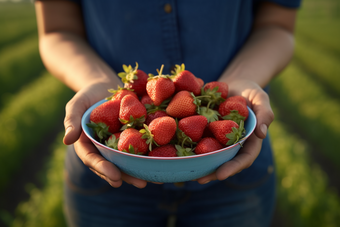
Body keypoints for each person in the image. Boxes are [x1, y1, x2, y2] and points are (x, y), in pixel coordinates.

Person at [34, 0, 301, 226]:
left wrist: (242, 80)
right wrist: (98, 83)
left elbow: (277, 23)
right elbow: (57, 29)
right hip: (109, 168)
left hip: (232, 168)